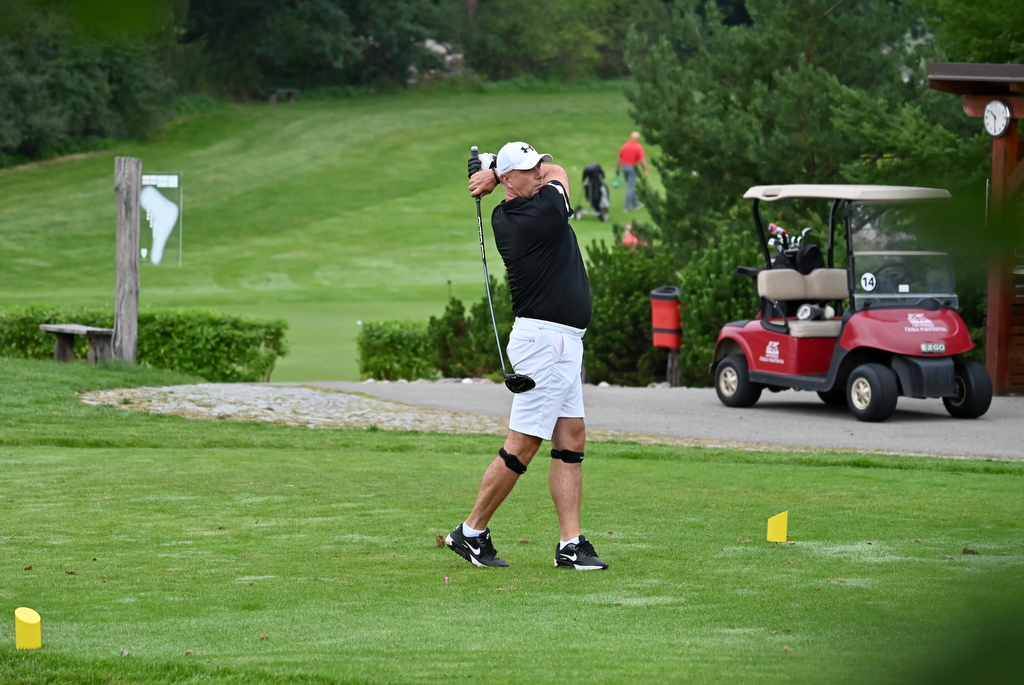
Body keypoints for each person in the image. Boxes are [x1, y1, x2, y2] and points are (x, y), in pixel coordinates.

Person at [446, 141, 608, 571]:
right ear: (508, 180)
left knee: (571, 438)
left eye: (539, 165)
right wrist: (492, 168)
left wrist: (492, 168)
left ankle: (570, 544)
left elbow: (546, 172)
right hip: (546, 344)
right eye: (529, 169)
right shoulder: (542, 212)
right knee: (523, 443)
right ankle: (471, 532)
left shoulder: (504, 212)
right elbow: (561, 174)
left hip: (560, 342)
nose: (539, 173)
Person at [616, 131, 648, 213]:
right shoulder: (639, 147)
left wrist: (618, 169)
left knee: (630, 186)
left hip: (624, 168)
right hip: (632, 168)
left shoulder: (624, 146)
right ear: (638, 139)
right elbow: (642, 161)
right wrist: (645, 170)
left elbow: (619, 159)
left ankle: (636, 204)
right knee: (631, 188)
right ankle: (626, 207)